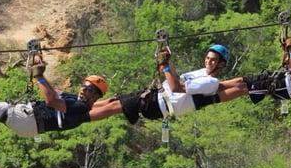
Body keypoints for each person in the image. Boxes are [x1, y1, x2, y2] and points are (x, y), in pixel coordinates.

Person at [89, 44, 239, 124]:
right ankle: (83, 106)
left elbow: (176, 88)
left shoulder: (211, 82)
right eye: (207, 58)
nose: (208, 61)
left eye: (213, 60)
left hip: (160, 104)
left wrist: (165, 65)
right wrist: (167, 60)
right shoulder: (201, 72)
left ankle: (82, 116)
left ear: (221, 65)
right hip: (156, 96)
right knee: (113, 101)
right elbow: (176, 78)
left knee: (114, 108)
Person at [216, 24, 291, 103]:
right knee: (243, 80)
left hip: (287, 87)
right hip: (284, 78)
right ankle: (214, 86)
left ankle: (210, 99)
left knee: (244, 88)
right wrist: (287, 50)